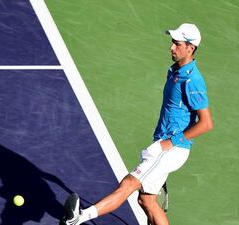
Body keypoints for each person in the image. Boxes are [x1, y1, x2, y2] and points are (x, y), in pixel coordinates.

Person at [59, 23, 213, 225]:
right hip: (164, 143)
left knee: (129, 183)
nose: (171, 47)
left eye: (177, 44)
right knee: (147, 200)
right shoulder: (176, 71)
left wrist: (170, 142)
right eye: (172, 43)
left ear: (190, 48)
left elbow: (206, 123)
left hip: (172, 147)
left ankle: (78, 219)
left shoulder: (192, 80)